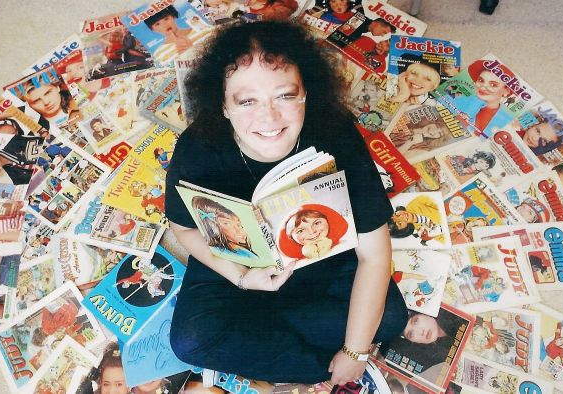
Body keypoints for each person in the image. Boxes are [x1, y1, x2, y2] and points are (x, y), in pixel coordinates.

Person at [165, 21, 407, 385]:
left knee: (390, 318)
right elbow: (182, 227)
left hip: (322, 256)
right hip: (235, 261)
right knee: (189, 341)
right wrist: (243, 278)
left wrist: (355, 351)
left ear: (306, 91)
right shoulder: (198, 147)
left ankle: (289, 343)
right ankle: (316, 365)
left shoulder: (335, 133)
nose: (269, 117)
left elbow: (374, 254)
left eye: (285, 95)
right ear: (224, 105)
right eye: (247, 101)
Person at [379, 309, 467, 378]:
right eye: (411, 334)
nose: (420, 331)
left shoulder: (458, 316)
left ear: (424, 313)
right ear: (413, 342)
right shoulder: (437, 360)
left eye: (416, 321)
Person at [451, 60, 514, 136]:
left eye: (493, 85)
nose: (483, 87)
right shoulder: (454, 99)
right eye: (481, 80)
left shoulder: (508, 121)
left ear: (506, 91)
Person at [278, 204, 348, 260]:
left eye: (317, 223)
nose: (312, 232)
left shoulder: (345, 244)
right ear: (292, 238)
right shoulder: (297, 263)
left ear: (327, 222)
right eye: (301, 231)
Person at [144, 6, 211, 63]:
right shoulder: (159, 54)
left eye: (166, 19)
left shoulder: (203, 29)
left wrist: (194, 49)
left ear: (173, 17)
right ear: (153, 29)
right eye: (157, 24)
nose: (165, 25)